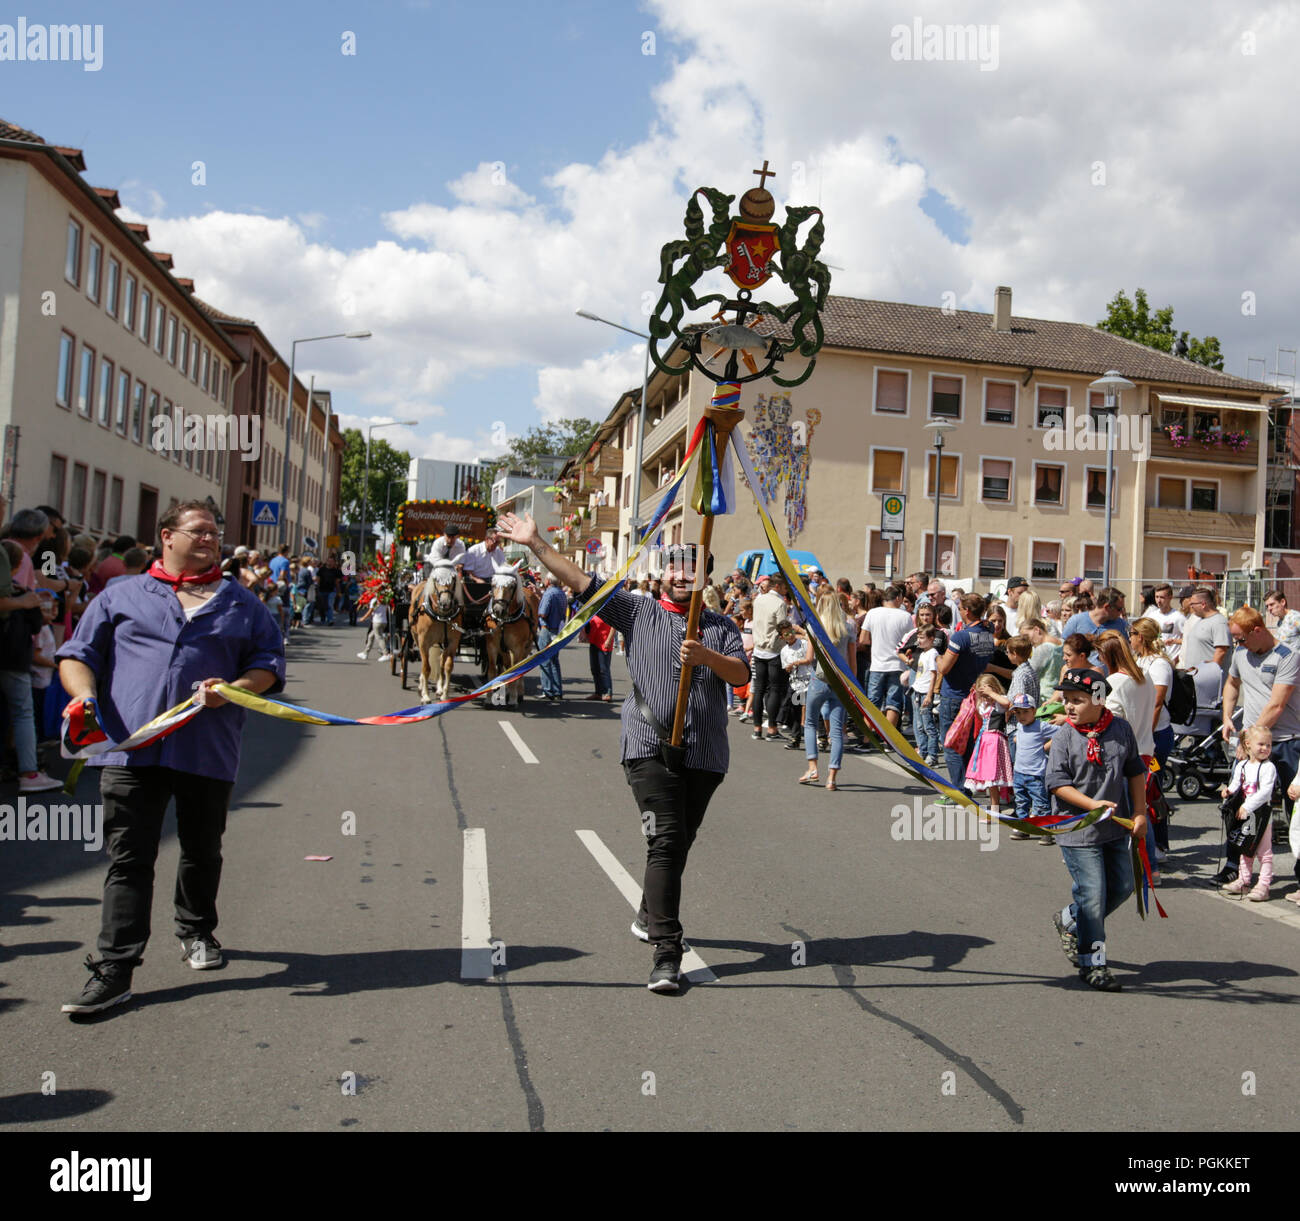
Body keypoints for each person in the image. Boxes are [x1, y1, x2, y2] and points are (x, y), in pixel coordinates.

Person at [496, 511, 748, 992]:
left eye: (691, 568)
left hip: (706, 754)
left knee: (678, 845)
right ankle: (667, 951)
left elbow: (740, 677)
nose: (681, 574)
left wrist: (706, 658)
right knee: (668, 840)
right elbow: (584, 583)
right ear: (662, 574)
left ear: (705, 577)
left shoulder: (720, 626)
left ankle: (648, 913)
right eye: (674, 567)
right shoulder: (638, 611)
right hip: (649, 746)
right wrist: (536, 543)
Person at [57, 501, 285, 1015]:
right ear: (166, 536)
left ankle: (197, 930)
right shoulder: (122, 595)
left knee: (202, 848)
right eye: (199, 531)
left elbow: (268, 664)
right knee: (129, 858)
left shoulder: (241, 603)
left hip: (206, 747)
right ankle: (116, 968)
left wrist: (233, 689)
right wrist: (84, 696)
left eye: (215, 533)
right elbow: (77, 654)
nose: (211, 539)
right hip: (129, 748)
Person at [1045, 669, 1148, 992]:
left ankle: (1071, 918)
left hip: (1115, 829)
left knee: (1122, 887)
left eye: (1078, 700)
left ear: (1100, 700)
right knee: (1093, 894)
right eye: (1067, 700)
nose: (1070, 706)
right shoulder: (1064, 736)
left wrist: (1141, 814)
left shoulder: (1121, 730)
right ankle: (1094, 964)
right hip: (1077, 828)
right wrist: (1092, 806)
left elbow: (1135, 772)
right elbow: (1057, 784)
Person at [1221, 606, 1300, 890]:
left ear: (1258, 630)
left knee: (1295, 810)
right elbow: (1232, 683)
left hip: (1287, 741)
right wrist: (1227, 715)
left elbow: (1277, 704)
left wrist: (1249, 740)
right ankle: (1236, 869)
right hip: (1251, 744)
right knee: (1241, 805)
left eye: (1240, 638)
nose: (1237, 645)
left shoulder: (1287, 656)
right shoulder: (1241, 654)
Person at [935, 593, 1000, 795]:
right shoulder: (988, 633)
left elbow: (944, 668)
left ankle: (960, 791)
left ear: (968, 611)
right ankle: (969, 786)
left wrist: (936, 657)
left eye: (961, 608)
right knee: (969, 743)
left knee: (952, 744)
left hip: (955, 695)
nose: (960, 612)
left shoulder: (961, 636)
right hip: (975, 695)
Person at [799, 587, 852, 790]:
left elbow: (810, 658)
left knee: (811, 722)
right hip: (840, 682)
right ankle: (832, 777)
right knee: (837, 731)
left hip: (819, 680)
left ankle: (812, 767)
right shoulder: (848, 627)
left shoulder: (814, 628)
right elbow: (852, 662)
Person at [1219, 726, 1277, 901]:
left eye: (1268, 745)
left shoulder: (1268, 768)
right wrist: (1228, 791)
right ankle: (1243, 880)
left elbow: (1265, 792)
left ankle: (1264, 885)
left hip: (1261, 815)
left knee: (1264, 851)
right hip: (1245, 814)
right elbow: (1237, 783)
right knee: (1245, 847)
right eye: (1261, 744)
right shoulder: (1242, 765)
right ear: (1248, 744)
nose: (1265, 748)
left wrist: (1248, 806)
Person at [860, 584, 913, 728]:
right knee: (894, 703)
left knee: (872, 703)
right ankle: (888, 740)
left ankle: (867, 739)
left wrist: (877, 642)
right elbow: (911, 642)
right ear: (898, 598)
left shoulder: (872, 613)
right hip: (897, 664)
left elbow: (863, 639)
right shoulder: (906, 616)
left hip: (877, 664)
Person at [1009, 693, 1058, 843]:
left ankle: (1046, 830)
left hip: (1036, 773)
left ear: (1034, 711)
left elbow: (1062, 733)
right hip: (1019, 772)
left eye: (1025, 711)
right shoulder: (1019, 726)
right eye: (1017, 712)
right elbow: (1020, 737)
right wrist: (1018, 738)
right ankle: (1024, 828)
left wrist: (1046, 746)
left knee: (1041, 803)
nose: (1021, 716)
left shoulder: (1041, 726)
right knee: (1021, 802)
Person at [749, 573, 791, 742]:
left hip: (759, 647)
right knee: (774, 688)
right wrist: (795, 637)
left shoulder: (759, 599)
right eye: (785, 586)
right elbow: (783, 627)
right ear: (778, 586)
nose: (786, 589)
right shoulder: (780, 603)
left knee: (759, 689)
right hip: (774, 649)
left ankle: (757, 727)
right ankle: (772, 727)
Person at [966, 673, 1013, 813]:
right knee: (988, 777)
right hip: (985, 742)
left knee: (993, 776)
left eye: (986, 693)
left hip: (995, 741)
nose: (985, 697)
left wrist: (991, 693)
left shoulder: (999, 702)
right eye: (983, 694)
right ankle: (994, 807)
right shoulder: (983, 705)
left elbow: (1007, 703)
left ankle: (995, 808)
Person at [1181, 587, 1230, 697]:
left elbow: (1221, 652)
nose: (1191, 606)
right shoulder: (1201, 620)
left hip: (1207, 687)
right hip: (1194, 682)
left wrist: (1208, 677)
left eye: (1193, 603)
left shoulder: (1219, 622)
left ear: (1203, 604)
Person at [778, 620, 814, 751]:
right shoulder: (784, 651)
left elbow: (811, 652)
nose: (791, 635)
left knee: (814, 708)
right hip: (796, 684)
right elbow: (785, 668)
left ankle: (822, 737)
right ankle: (795, 738)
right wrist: (788, 668)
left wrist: (802, 631)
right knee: (796, 711)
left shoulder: (803, 643)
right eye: (786, 634)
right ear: (782, 637)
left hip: (810, 680)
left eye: (792, 631)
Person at [912, 627, 941, 767]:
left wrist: (930, 695)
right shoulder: (923, 653)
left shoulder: (932, 653)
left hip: (925, 693)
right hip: (917, 691)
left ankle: (932, 755)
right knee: (919, 726)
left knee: (929, 727)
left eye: (922, 638)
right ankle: (922, 753)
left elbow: (934, 674)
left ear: (931, 639)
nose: (919, 640)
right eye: (918, 637)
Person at [537, 575, 567, 700]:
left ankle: (547, 690)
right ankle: (557, 690)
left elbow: (543, 613)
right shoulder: (561, 593)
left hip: (547, 628)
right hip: (558, 629)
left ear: (548, 581)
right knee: (555, 661)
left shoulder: (549, 594)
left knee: (544, 660)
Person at [1146, 583, 1186, 662]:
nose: (1158, 601)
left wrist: (1175, 641)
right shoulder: (1151, 616)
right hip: (1155, 660)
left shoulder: (1178, 617)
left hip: (1171, 661)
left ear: (1170, 597)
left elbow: (1188, 639)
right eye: (1156, 597)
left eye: (1162, 597)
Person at [586, 613, 615, 702]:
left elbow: (614, 626)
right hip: (594, 641)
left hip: (604, 642)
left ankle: (607, 692)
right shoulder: (596, 607)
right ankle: (598, 693)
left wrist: (609, 639)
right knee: (594, 669)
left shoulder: (609, 608)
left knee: (604, 669)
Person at [357, 595, 391, 661]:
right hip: (384, 621)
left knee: (379, 637)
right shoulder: (385, 600)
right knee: (370, 636)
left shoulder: (374, 600)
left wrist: (363, 618)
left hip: (376, 621)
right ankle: (365, 653)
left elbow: (370, 611)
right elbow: (386, 610)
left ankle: (386, 654)